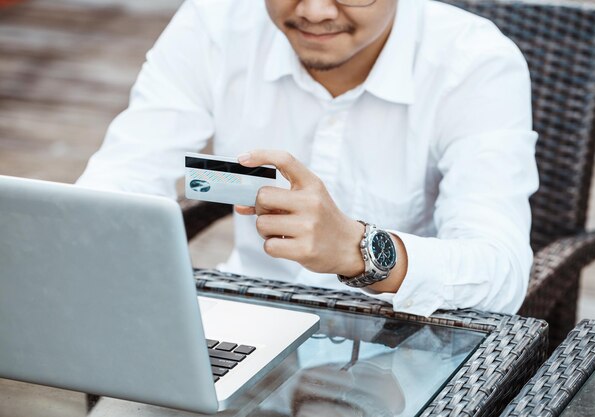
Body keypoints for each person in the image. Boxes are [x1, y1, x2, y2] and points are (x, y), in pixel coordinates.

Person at [76, 0, 538, 317]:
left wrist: (358, 251)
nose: (315, 11)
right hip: (245, 312)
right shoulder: (214, 23)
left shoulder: (475, 63)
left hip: (407, 335)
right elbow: (121, 179)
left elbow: (502, 274)